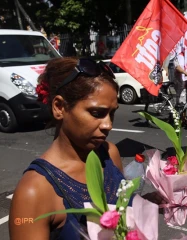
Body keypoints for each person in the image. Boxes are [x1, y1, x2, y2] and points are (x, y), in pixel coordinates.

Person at [9, 57, 161, 239]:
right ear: (59, 107)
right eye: (97, 113)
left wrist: (144, 204)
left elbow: (119, 209)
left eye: (112, 113)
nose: (108, 125)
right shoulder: (34, 191)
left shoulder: (109, 153)